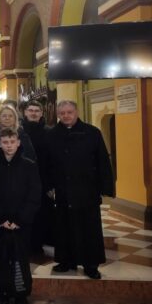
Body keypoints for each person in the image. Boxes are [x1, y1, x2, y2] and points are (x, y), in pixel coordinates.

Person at [46, 100, 115, 280]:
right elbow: (47, 164)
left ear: (76, 112)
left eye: (69, 112)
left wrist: (105, 187)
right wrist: (49, 186)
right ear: (58, 115)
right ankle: (65, 261)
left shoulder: (92, 133)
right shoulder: (52, 135)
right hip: (62, 189)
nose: (66, 116)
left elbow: (102, 161)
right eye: (62, 113)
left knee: (89, 229)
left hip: (87, 190)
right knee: (64, 228)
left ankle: (91, 264)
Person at [0, 128, 41, 304]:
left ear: (18, 143)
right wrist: (1, 218)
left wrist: (19, 219)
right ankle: (3, 296)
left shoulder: (29, 165)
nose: (9, 146)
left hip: (21, 224)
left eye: (12, 142)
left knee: (20, 260)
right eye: (5, 142)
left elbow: (34, 194)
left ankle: (21, 298)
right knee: (1, 260)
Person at [22, 100, 53, 253]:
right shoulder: (19, 131)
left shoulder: (49, 132)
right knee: (24, 212)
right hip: (23, 180)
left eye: (37, 111)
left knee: (42, 214)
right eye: (31, 110)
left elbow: (53, 159)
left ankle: (38, 244)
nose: (33, 113)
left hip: (43, 180)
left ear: (41, 113)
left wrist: (50, 184)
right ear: (25, 113)